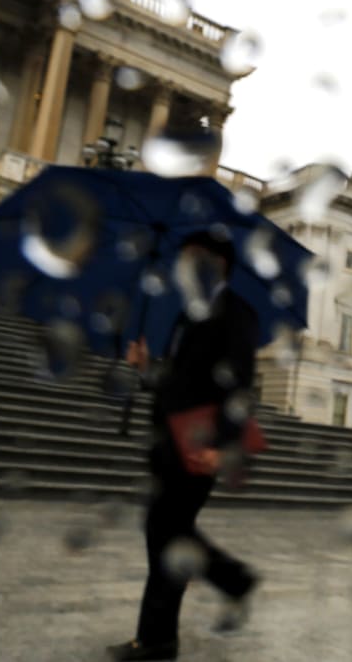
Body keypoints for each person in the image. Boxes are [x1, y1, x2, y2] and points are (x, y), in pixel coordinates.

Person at [108, 229, 260, 662]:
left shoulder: (236, 313)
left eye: (195, 258)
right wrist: (146, 369)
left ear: (219, 264)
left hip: (200, 446)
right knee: (168, 534)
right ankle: (231, 580)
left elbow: (238, 385)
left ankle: (156, 641)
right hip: (169, 444)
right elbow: (179, 385)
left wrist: (226, 446)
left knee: (166, 535)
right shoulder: (186, 316)